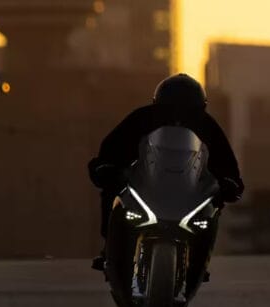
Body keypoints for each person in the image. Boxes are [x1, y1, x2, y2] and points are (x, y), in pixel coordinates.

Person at [88, 73, 244, 270]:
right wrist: (106, 167)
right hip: (145, 188)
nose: (177, 118)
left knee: (214, 204)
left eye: (186, 113)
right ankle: (110, 250)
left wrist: (230, 183)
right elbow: (114, 147)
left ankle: (199, 261)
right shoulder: (143, 118)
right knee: (112, 190)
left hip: (190, 196)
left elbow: (225, 162)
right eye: (169, 111)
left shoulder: (207, 126)